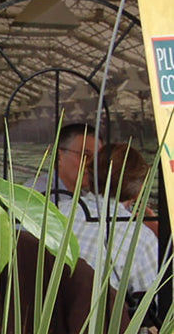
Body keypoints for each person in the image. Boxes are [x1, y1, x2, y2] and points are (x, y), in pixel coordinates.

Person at [74, 143, 161, 315]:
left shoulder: (55, 211)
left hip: (42, 328)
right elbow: (154, 305)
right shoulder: (141, 238)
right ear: (138, 190)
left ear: (89, 176)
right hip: (104, 333)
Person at [33, 122, 100, 207]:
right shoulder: (38, 193)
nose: (92, 164)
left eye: (98, 158)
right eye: (85, 156)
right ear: (59, 157)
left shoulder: (85, 196)